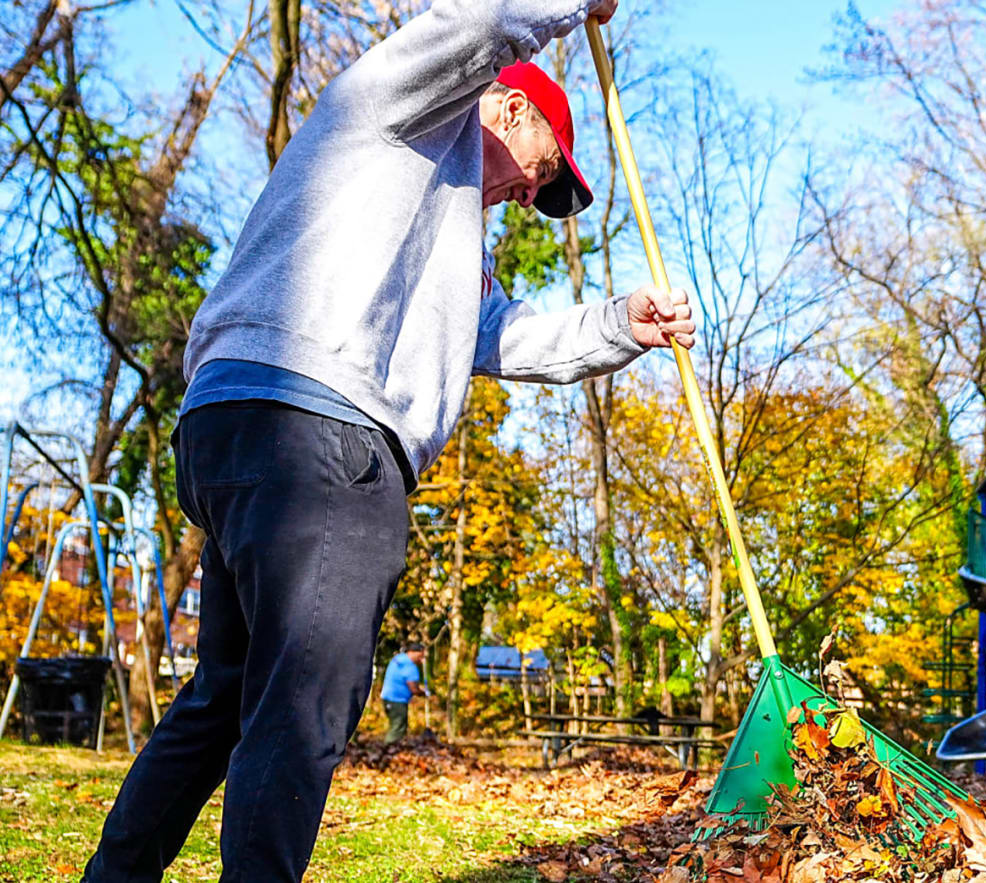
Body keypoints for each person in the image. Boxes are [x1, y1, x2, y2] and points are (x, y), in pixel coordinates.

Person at [81, 1, 693, 880]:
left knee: (223, 698)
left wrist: (621, 323)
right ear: (508, 109)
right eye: (542, 171)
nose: (532, 195)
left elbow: (499, 337)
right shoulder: (404, 108)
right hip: (319, 430)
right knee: (302, 705)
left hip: (234, 421)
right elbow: (484, 24)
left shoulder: (447, 232)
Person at [379, 644, 429, 746]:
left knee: (398, 726)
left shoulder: (398, 659)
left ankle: (392, 751)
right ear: (414, 652)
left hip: (388, 698)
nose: (422, 659)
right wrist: (424, 693)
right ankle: (388, 751)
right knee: (398, 727)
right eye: (421, 655)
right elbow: (414, 689)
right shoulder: (409, 666)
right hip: (396, 700)